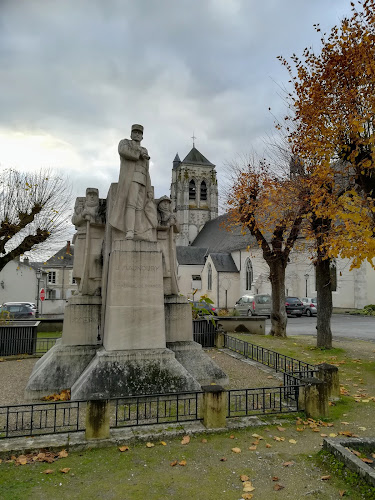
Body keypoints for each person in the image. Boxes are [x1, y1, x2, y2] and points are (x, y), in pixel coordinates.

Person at [109, 124, 157, 241]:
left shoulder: (144, 150)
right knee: (131, 204)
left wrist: (149, 189)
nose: (137, 134)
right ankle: (129, 231)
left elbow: (147, 171)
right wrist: (138, 153)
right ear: (131, 134)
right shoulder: (125, 143)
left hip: (142, 181)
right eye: (135, 132)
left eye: (139, 133)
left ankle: (138, 231)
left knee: (140, 208)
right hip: (131, 178)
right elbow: (123, 151)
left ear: (142, 137)